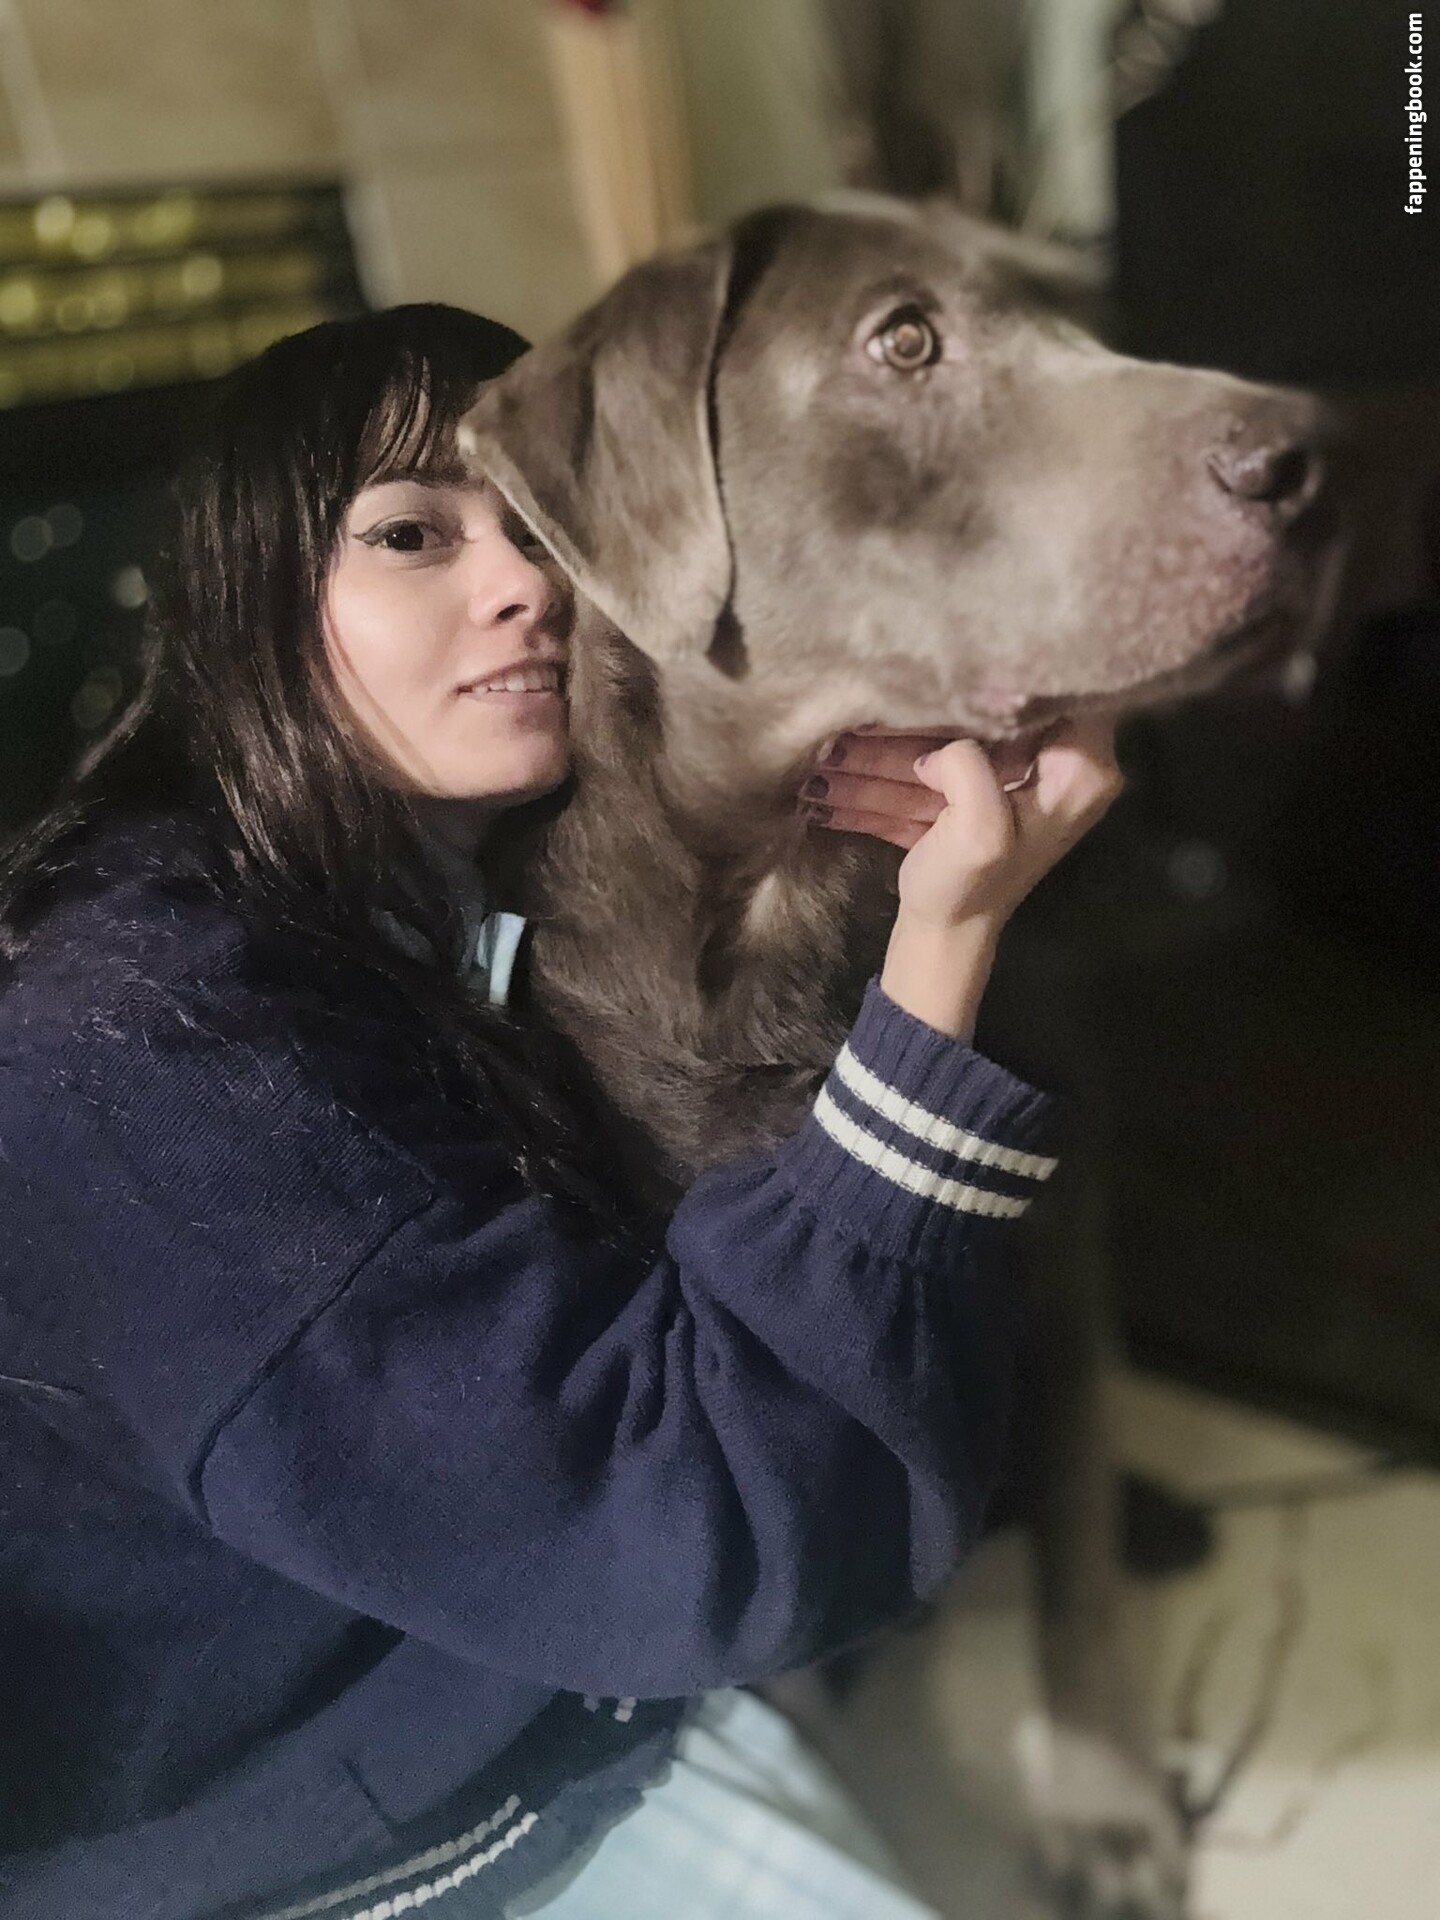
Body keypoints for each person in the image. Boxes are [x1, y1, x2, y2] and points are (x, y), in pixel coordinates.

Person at [0, 304, 1122, 1920]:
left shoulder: (413, 885)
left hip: (527, 1658)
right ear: (245, 598)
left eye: (552, 523)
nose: (527, 583)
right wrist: (945, 943)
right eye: (413, 532)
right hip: (355, 1834)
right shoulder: (153, 1055)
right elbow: (705, 1541)